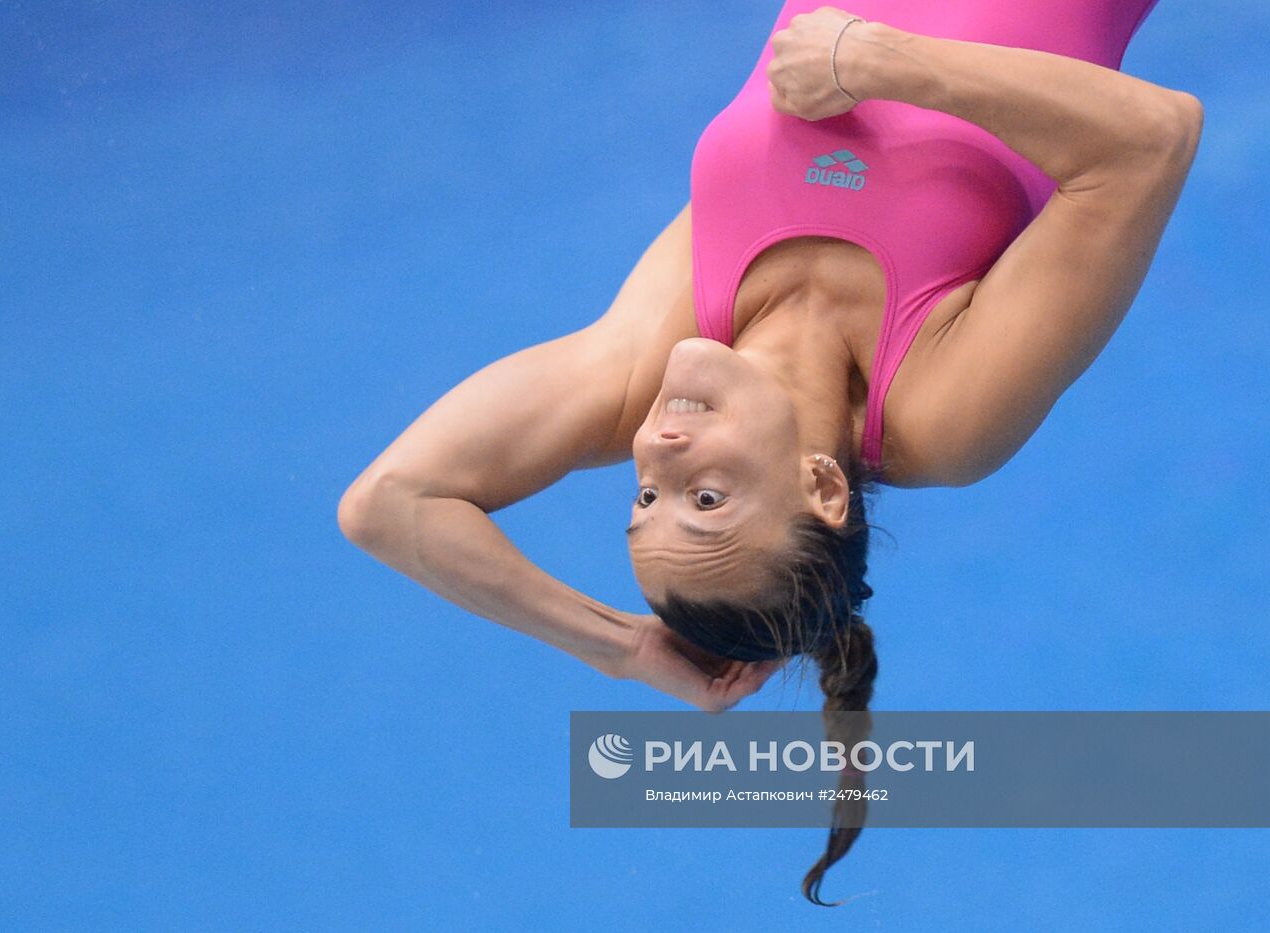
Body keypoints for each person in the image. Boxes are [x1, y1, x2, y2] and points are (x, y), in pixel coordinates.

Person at [340, 1, 1200, 905]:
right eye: (703, 499)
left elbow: (391, 501)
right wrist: (874, 59)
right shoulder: (941, 414)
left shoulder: (655, 356)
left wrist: (625, 649)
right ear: (821, 485)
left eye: (642, 499)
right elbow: (1150, 138)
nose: (660, 449)